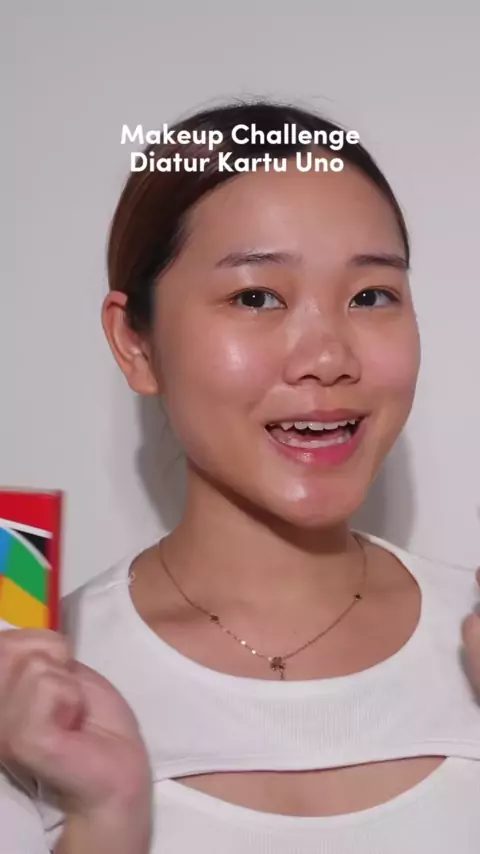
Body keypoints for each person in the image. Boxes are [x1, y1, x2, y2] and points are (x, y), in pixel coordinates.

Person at [1, 99, 479, 854]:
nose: (328, 358)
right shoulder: (33, 690)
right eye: (256, 297)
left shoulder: (470, 633)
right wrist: (105, 818)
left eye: (371, 296)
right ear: (135, 344)